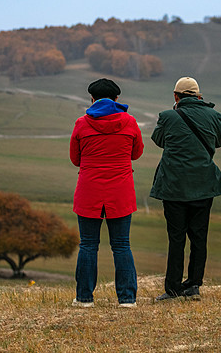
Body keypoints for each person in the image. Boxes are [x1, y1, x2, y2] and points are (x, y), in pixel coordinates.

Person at [149, 76, 221, 301]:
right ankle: (194, 285)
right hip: (203, 185)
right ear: (198, 96)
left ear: (176, 96)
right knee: (199, 236)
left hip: (174, 187)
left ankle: (173, 288)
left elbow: (159, 140)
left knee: (176, 238)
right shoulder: (214, 116)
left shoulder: (168, 116)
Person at [70, 78, 144, 308]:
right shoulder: (130, 122)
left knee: (88, 245)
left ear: (92, 99)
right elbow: (137, 153)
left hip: (89, 190)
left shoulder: (82, 123)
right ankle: (127, 299)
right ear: (116, 99)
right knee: (121, 244)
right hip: (120, 191)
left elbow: (75, 159)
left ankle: (84, 298)